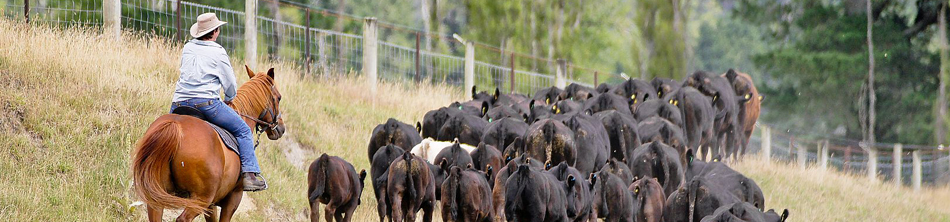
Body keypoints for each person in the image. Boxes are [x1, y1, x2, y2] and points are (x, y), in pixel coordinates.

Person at [169, 13, 267, 191]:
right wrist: (229, 98)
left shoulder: (188, 47)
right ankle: (250, 175)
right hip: (207, 104)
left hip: (179, 103)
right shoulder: (218, 51)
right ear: (214, 32)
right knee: (244, 130)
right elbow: (230, 84)